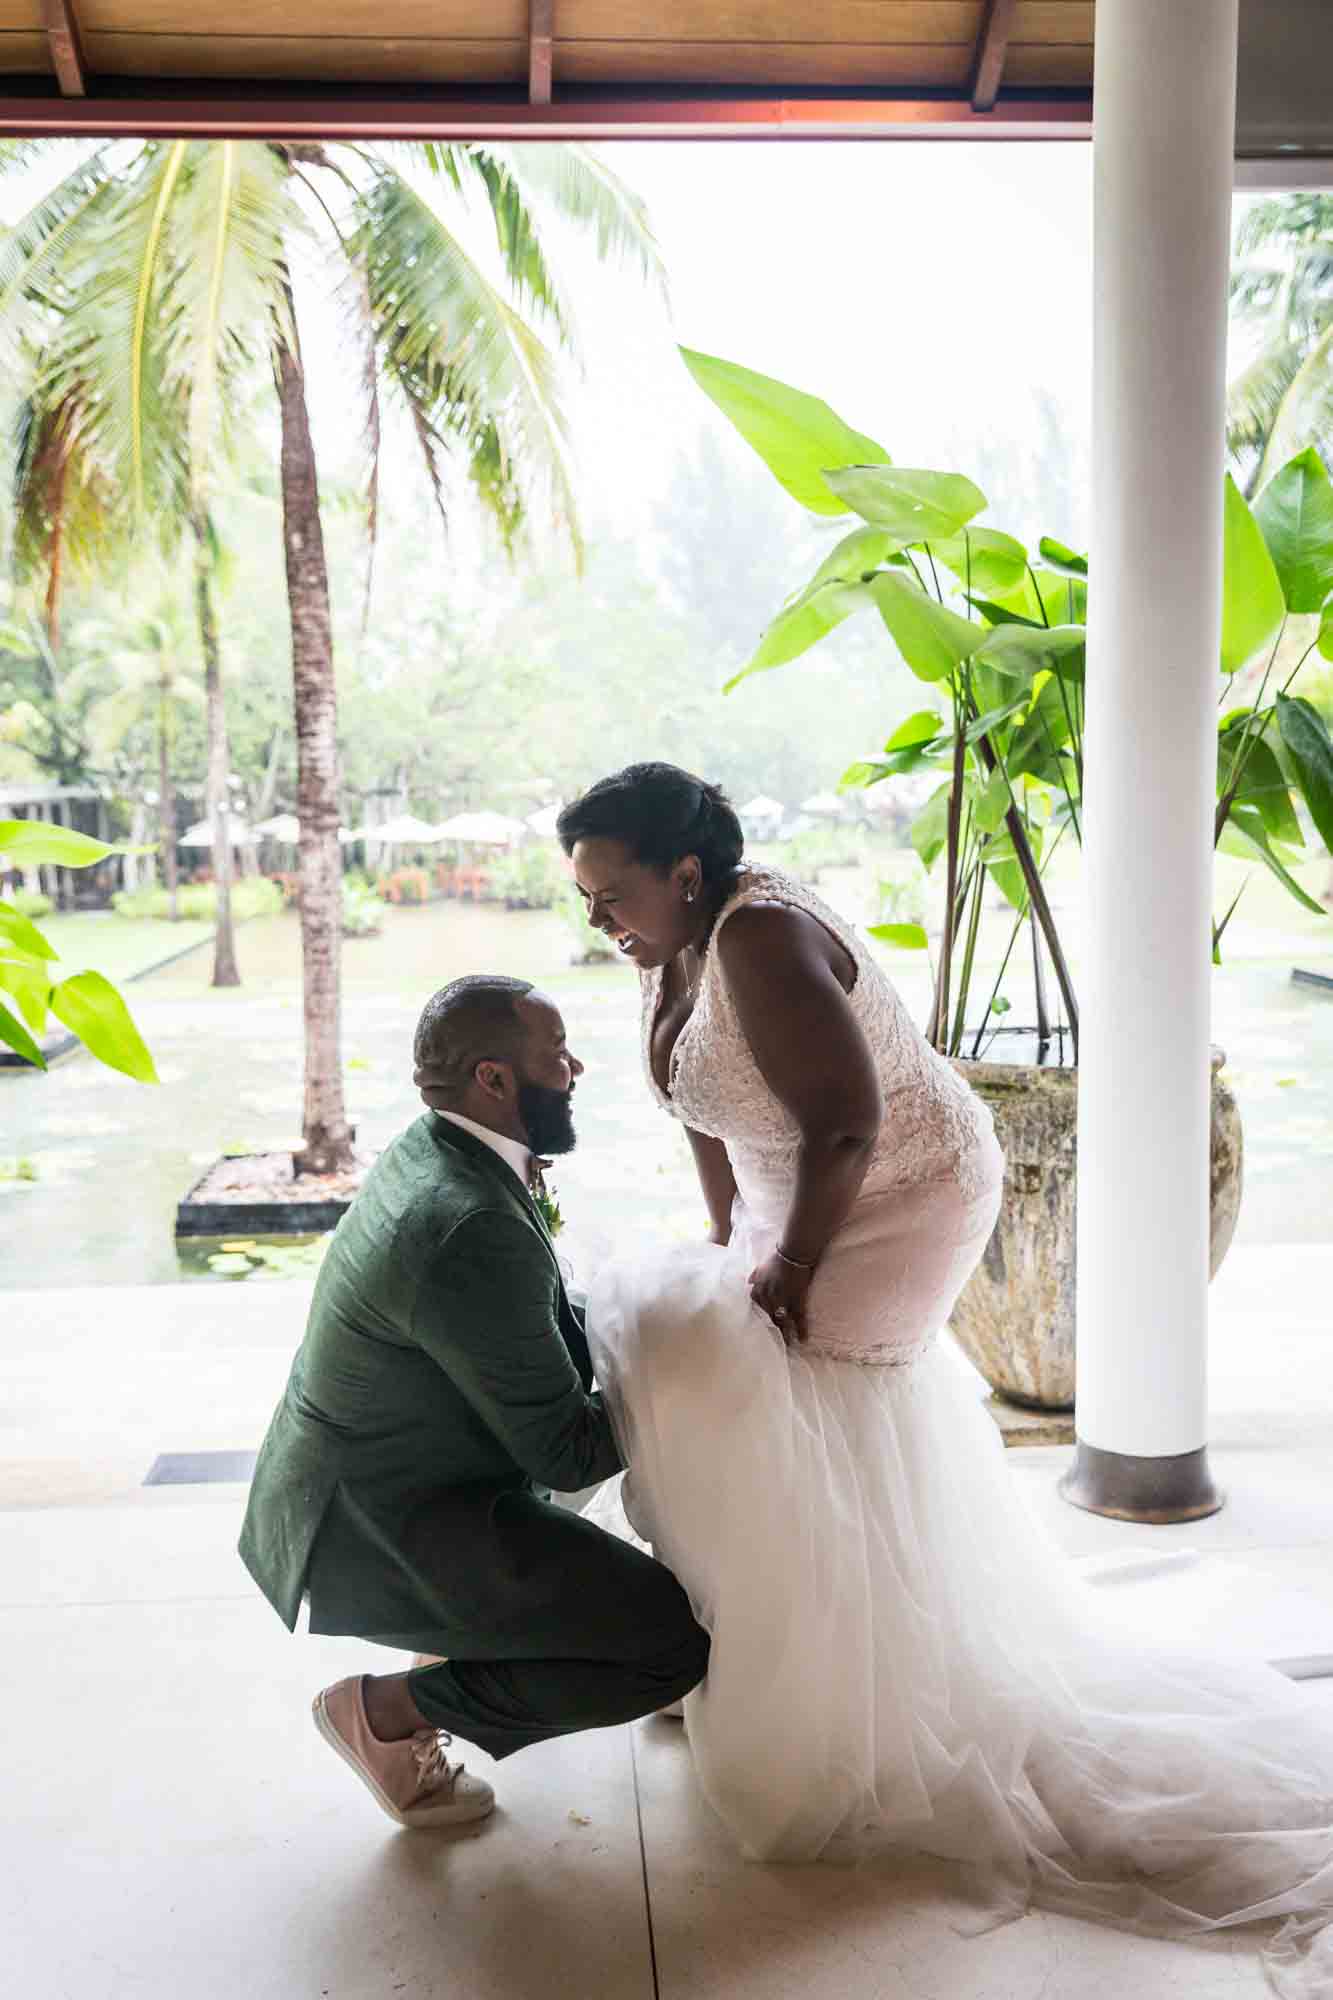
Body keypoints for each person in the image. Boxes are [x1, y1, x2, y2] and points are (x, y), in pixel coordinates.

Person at [549, 760, 1333, 1995]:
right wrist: (730, 1248)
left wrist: (796, 1263)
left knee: (821, 1402)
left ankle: (862, 1698)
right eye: (584, 898)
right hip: (793, 1176)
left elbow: (851, 1118)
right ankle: (749, 1645)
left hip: (898, 1183)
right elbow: (697, 1106)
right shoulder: (667, 940)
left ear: (685, 872)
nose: (595, 917)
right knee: (727, 1370)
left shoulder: (753, 934)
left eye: (608, 893)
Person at [239, 974, 708, 1831]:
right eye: (556, 1054)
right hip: (382, 1516)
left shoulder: (437, 1146)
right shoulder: (467, 1225)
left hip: (375, 1467)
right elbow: (565, 1453)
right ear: (494, 1080)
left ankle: (471, 1637)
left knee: (593, 1549)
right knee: (665, 1646)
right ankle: (384, 1714)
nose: (575, 1068)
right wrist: (690, 1363)